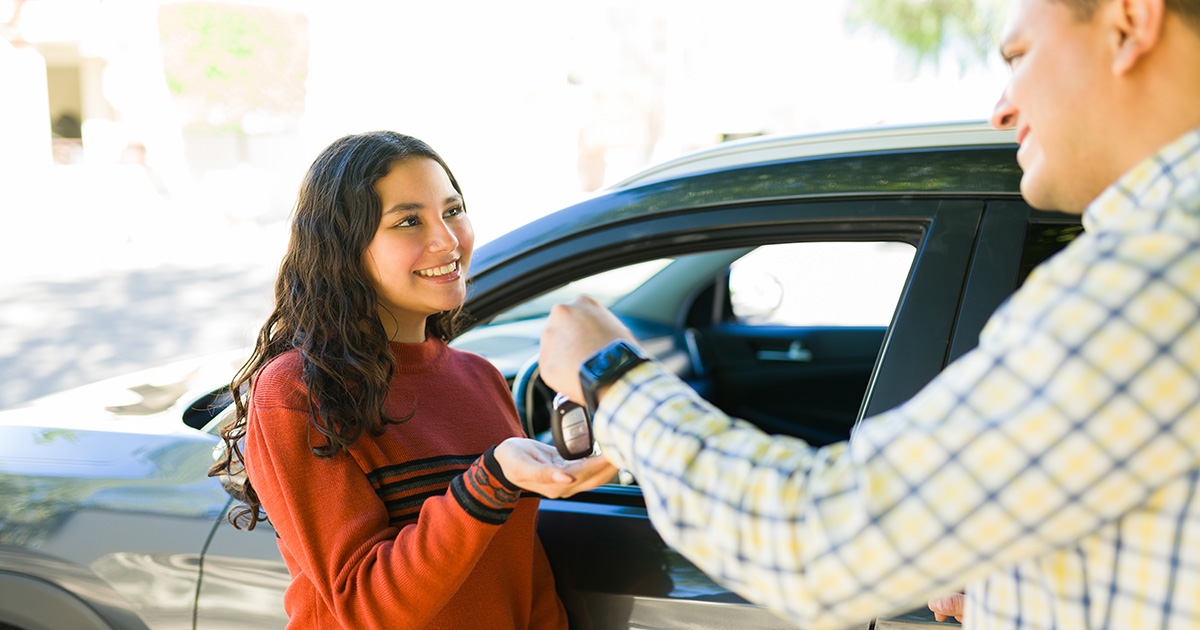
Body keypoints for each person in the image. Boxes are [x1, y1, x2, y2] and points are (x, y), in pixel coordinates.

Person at [537, 0, 1200, 628]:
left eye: (1019, 55)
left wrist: (611, 375)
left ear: (1129, 23)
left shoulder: (1151, 275)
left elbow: (818, 546)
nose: (1002, 108)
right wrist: (1026, 592)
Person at [209, 130, 615, 630]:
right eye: (408, 221)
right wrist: (490, 482)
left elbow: (523, 578)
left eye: (452, 210)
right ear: (345, 246)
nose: (447, 239)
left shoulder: (480, 377)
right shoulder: (299, 391)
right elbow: (366, 606)